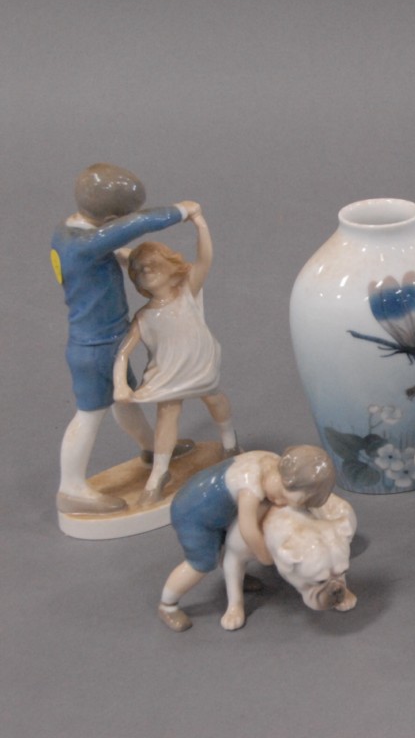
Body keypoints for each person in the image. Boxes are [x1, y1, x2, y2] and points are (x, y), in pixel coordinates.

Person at [50, 163, 198, 514]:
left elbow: (98, 254)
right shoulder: (87, 244)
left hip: (107, 339)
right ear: (111, 219)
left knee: (125, 400)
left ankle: (151, 447)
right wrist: (180, 211)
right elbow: (137, 225)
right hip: (95, 346)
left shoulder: (67, 231)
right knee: (89, 415)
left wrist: (117, 255)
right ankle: (70, 486)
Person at [114, 212, 238, 505]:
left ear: (171, 268)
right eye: (140, 270)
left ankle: (230, 442)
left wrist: (200, 224)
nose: (147, 271)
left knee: (214, 399)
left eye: (153, 265)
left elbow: (205, 258)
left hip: (199, 365)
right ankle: (159, 473)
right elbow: (123, 352)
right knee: (167, 413)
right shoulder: (144, 317)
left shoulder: (187, 292)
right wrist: (120, 383)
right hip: (169, 371)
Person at [157, 446, 336, 631]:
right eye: (283, 496)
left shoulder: (273, 461)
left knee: (227, 545)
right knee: (202, 563)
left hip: (213, 509)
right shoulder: (249, 488)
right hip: (192, 514)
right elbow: (247, 529)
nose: (280, 503)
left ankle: (238, 577)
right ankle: (167, 605)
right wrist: (265, 556)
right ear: (287, 481)